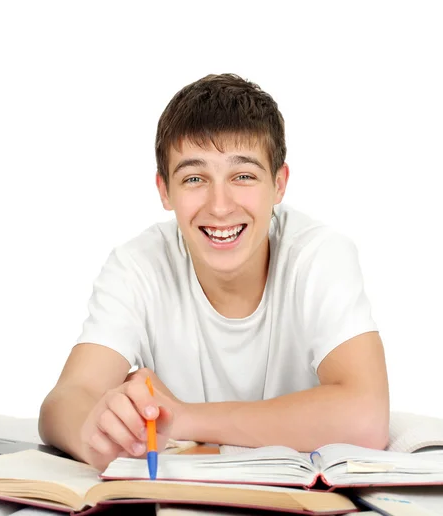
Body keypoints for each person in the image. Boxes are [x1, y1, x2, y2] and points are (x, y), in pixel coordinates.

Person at [39, 73, 390, 471]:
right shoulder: (139, 265)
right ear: (164, 191)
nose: (220, 206)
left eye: (243, 176)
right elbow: (64, 400)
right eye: (194, 178)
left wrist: (183, 418)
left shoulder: (319, 255)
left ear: (279, 184)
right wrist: (96, 431)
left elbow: (367, 418)